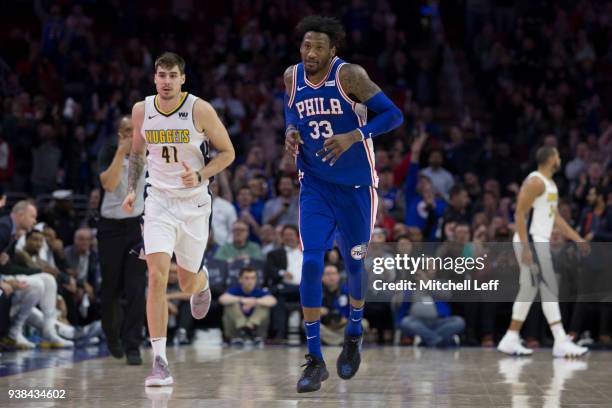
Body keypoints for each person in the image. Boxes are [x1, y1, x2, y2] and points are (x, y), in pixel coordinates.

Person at [284, 16, 403, 392]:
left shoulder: (349, 76)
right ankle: (315, 358)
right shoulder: (291, 76)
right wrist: (289, 130)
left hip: (355, 187)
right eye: (306, 45)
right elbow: (291, 111)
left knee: (354, 264)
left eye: (319, 47)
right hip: (315, 184)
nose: (311, 53)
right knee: (312, 260)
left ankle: (354, 332)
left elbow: (394, 115)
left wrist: (356, 134)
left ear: (332, 50)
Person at [122, 52, 235, 386]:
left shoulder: (200, 109)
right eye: (161, 75)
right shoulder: (142, 110)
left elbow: (228, 152)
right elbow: (138, 152)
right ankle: (159, 361)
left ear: (183, 78)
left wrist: (201, 175)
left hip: (194, 204)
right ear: (154, 78)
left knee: (186, 283)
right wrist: (131, 190)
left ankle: (202, 282)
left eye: (173, 75)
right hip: (157, 200)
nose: (166, 81)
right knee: (156, 276)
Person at [498, 146, 589, 358]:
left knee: (529, 290)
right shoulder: (535, 182)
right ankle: (560, 340)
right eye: (557, 155)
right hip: (531, 240)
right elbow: (520, 213)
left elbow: (555, 217)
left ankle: (510, 337)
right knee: (549, 288)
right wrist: (526, 247)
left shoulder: (550, 185)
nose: (560, 158)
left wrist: (577, 238)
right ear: (550, 159)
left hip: (539, 240)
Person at [98, 114, 147, 365]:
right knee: (111, 287)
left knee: (137, 288)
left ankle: (133, 345)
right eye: (127, 131)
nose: (132, 135)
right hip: (110, 228)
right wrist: (121, 152)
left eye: (135, 130)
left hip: (137, 228)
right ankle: (111, 336)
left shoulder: (149, 151)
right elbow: (108, 183)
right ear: (119, 134)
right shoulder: (108, 151)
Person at [219, 266, 277, 346]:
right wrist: (241, 300)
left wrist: (255, 301)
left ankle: (249, 326)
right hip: (236, 332)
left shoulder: (259, 291)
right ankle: (243, 327)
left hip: (256, 331)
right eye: (246, 278)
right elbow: (222, 299)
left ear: (256, 280)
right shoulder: (235, 290)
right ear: (240, 279)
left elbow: (273, 301)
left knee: (264, 305)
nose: (250, 281)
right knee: (231, 304)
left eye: (253, 278)